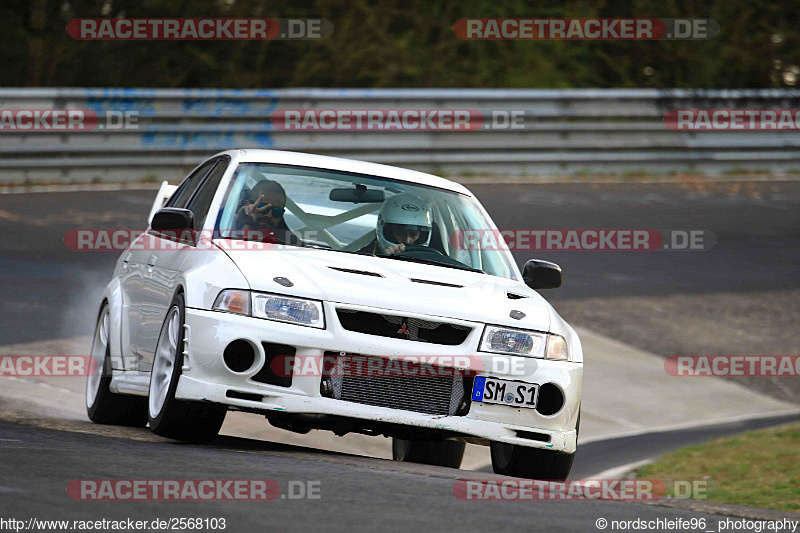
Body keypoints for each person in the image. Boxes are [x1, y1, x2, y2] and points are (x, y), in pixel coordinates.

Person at [235, 180, 302, 245]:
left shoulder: (285, 246)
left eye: (277, 212)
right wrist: (238, 222)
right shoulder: (227, 224)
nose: (269, 215)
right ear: (247, 205)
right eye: (264, 208)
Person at [364, 193, 433, 254]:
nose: (407, 241)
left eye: (413, 234)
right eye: (401, 233)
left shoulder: (432, 261)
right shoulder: (364, 259)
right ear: (389, 233)